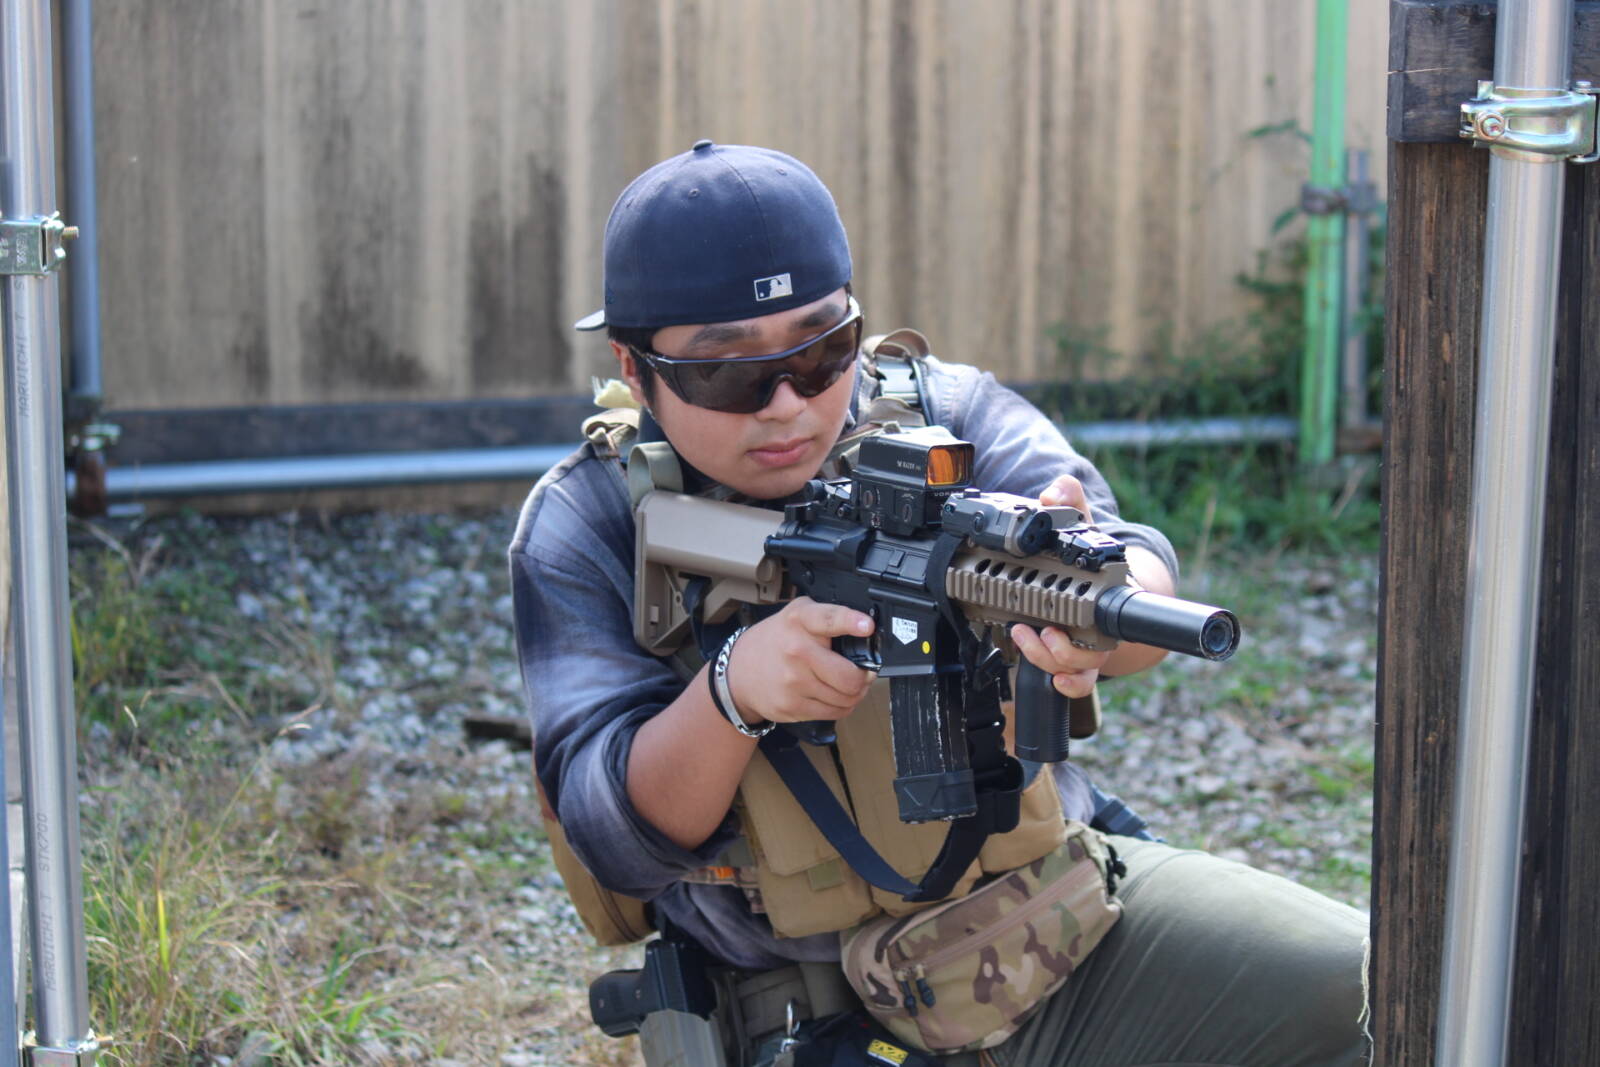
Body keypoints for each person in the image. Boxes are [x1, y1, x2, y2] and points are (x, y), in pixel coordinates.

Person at [510, 140, 1369, 1066]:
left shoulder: (945, 415)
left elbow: (1130, 563)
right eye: (730, 372)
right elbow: (611, 840)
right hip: (805, 1013)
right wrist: (733, 693)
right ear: (635, 367)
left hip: (1061, 926)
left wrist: (1097, 610)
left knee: (1388, 984)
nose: (788, 403)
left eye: (824, 350)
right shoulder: (588, 522)